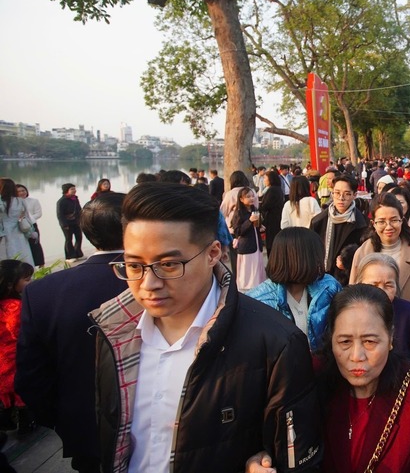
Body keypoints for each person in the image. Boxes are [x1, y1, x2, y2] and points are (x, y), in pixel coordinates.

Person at [90, 183, 322, 472]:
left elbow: (296, 457)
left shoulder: (276, 343)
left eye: (169, 265)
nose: (149, 284)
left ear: (213, 253)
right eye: (135, 266)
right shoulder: (113, 331)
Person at [15, 193, 127, 473]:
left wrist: (62, 418)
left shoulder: (42, 291)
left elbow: (31, 377)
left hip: (83, 428)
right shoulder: (167, 281)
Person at [306, 285, 410, 472]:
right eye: (345, 342)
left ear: (390, 338)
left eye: (369, 341)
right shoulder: (310, 379)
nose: (357, 356)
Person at [247, 227, 341, 352]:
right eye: (317, 256)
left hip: (323, 361)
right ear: (303, 259)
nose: (321, 261)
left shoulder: (328, 287)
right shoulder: (258, 300)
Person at [353, 253, 410, 364]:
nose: (382, 291)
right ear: (359, 284)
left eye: (388, 285)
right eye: (374, 285)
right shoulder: (348, 314)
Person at [350, 193, 410, 303]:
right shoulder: (362, 253)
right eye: (381, 221)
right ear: (373, 223)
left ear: (402, 220)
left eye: (394, 220)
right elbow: (353, 297)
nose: (388, 227)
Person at [310, 174, 368, 282]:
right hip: (321, 279)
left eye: (347, 194)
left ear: (354, 195)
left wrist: (347, 263)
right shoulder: (318, 221)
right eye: (337, 193)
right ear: (332, 193)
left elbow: (365, 256)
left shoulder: (362, 224)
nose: (341, 198)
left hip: (349, 280)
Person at [0, 259, 34, 435]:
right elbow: (20, 333)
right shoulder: (16, 307)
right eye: (27, 279)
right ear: (10, 284)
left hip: (2, 360)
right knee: (21, 391)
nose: (31, 282)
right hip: (16, 357)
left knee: (7, 393)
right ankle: (26, 423)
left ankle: (7, 418)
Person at [231, 187, 267, 292]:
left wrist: (260, 226)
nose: (251, 198)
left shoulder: (254, 209)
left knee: (257, 269)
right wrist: (249, 221)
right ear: (241, 199)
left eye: (252, 196)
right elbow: (237, 231)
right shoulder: (239, 213)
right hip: (247, 246)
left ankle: (258, 288)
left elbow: (256, 226)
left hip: (256, 244)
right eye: (248, 197)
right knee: (248, 272)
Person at [0, 178, 34, 265]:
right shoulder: (20, 201)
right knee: (23, 252)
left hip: (4, 233)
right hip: (19, 230)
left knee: (6, 255)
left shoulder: (2, 202)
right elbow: (27, 217)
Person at [15, 184, 44, 267]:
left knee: (35, 245)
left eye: (23, 190)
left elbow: (38, 213)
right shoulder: (14, 203)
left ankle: (41, 264)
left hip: (32, 225)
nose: (21, 193)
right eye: (19, 191)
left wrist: (27, 219)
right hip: (19, 227)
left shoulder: (33, 201)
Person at [258, 170, 285, 254]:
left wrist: (258, 207)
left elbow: (266, 205)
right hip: (276, 218)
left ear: (271, 179)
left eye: (265, 178)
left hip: (272, 220)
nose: (264, 180)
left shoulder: (272, 190)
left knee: (271, 242)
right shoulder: (277, 189)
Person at [56, 182, 83, 261]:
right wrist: (64, 224)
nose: (74, 190)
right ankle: (69, 256)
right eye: (72, 189)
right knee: (69, 239)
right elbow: (60, 214)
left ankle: (78, 253)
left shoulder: (75, 199)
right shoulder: (61, 201)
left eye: (74, 189)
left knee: (79, 237)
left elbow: (79, 210)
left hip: (76, 222)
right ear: (66, 191)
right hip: (67, 223)